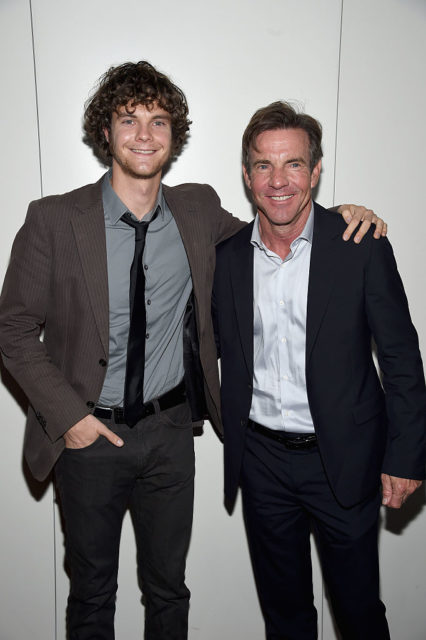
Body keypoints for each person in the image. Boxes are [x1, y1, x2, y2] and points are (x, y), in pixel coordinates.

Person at [0, 62, 384, 640]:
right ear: (105, 131)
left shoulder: (198, 210)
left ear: (174, 135)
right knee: (91, 595)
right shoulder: (54, 219)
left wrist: (342, 218)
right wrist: (70, 418)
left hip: (170, 437)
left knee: (169, 591)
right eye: (129, 119)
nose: (144, 135)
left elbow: (275, 228)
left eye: (158, 120)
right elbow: (12, 330)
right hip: (86, 440)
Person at [213, 101, 425, 640]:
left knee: (357, 612)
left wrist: (406, 456)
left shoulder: (360, 245)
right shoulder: (228, 256)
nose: (278, 180)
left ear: (317, 170)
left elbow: (400, 357)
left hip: (344, 461)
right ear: (246, 174)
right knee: (285, 617)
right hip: (261, 462)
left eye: (294, 164)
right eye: (263, 165)